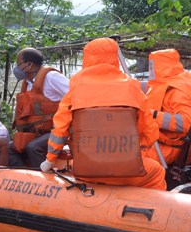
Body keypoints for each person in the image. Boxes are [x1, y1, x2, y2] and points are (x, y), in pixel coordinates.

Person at [41, 38, 166, 190]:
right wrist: (138, 148)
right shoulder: (133, 87)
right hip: (128, 171)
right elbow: (150, 132)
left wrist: (49, 160)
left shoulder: (75, 89)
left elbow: (59, 131)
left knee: (69, 168)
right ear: (115, 58)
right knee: (157, 172)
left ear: (86, 59)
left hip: (85, 170)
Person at [142, 48, 191, 167]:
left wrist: (152, 115)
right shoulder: (182, 80)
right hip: (162, 143)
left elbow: (188, 122)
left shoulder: (177, 92)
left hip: (168, 149)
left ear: (160, 66)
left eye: (152, 66)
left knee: (123, 153)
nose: (150, 70)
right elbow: (149, 87)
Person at [8, 47, 70, 168]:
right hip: (36, 132)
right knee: (11, 147)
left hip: (55, 131)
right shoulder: (27, 84)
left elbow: (75, 95)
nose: (16, 68)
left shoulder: (51, 77)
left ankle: (45, 179)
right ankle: (24, 177)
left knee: (33, 148)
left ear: (29, 64)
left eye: (18, 64)